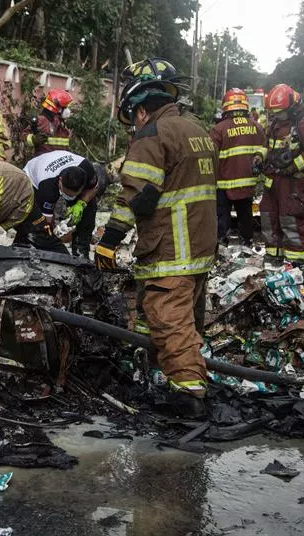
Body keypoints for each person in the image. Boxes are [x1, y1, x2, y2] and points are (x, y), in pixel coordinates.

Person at [94, 57, 215, 419]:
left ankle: (189, 395)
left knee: (169, 320)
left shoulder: (152, 136)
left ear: (141, 109)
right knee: (165, 317)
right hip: (200, 247)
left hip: (170, 249)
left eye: (133, 116)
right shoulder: (196, 129)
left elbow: (136, 196)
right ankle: (152, 374)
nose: (133, 124)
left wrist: (109, 241)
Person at [253, 83, 304, 268]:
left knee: (290, 219)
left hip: (293, 183)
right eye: (274, 111)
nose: (277, 114)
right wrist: (259, 156)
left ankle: (296, 261)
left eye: (280, 111)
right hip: (273, 180)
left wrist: (293, 166)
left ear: (292, 107)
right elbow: (267, 145)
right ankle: (273, 256)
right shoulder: (276, 123)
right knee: (269, 218)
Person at [22, 150, 106, 257]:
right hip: (32, 178)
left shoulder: (87, 168)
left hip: (62, 165)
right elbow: (46, 222)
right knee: (37, 225)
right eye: (68, 195)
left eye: (74, 195)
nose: (71, 199)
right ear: (60, 181)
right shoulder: (47, 187)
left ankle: (81, 251)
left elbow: (94, 189)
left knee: (90, 207)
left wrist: (81, 203)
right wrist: (56, 236)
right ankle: (22, 244)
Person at [209, 88, 265, 246]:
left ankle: (221, 246)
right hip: (248, 183)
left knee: (222, 217)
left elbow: (210, 155)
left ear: (225, 107)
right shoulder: (257, 127)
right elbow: (265, 150)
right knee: (245, 216)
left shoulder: (218, 129)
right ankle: (247, 243)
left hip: (223, 184)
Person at [26, 88, 73, 157]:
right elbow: (24, 136)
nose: (68, 111)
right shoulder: (41, 120)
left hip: (61, 162)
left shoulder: (61, 123)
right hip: (44, 162)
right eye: (65, 107)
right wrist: (33, 139)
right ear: (58, 107)